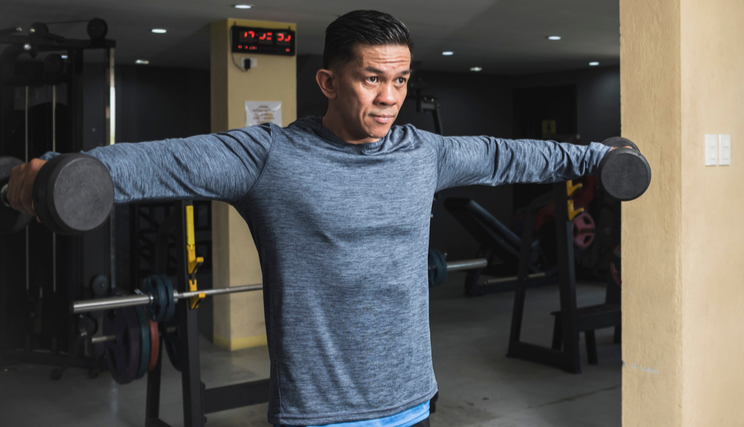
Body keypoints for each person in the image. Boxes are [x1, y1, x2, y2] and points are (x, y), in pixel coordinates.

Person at [5, 10, 611, 427]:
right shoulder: (270, 157)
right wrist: (52, 170)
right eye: (372, 78)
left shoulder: (425, 153)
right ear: (328, 80)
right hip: (319, 412)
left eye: (399, 80)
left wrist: (599, 158)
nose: (390, 97)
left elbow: (515, 155)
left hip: (414, 400)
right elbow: (161, 163)